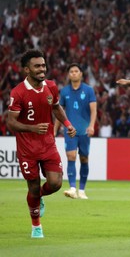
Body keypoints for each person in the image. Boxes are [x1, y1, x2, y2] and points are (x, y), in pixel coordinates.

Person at [6, 49, 77, 238]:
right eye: (37, 66)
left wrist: (67, 124)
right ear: (26, 70)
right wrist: (32, 128)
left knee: (55, 183)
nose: (42, 69)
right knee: (34, 187)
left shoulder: (51, 87)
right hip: (27, 149)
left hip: (47, 145)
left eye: (43, 65)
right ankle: (36, 226)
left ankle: (37, 199)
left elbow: (56, 107)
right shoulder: (18, 92)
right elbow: (10, 122)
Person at [54, 63, 97, 200]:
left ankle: (82, 190)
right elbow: (59, 112)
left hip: (84, 131)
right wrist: (54, 130)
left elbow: (93, 110)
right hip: (70, 131)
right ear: (69, 74)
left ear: (81, 74)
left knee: (84, 158)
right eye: (71, 71)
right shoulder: (64, 91)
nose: (73, 73)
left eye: (76, 71)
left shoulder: (89, 90)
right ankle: (72, 188)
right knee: (71, 156)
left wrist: (91, 126)